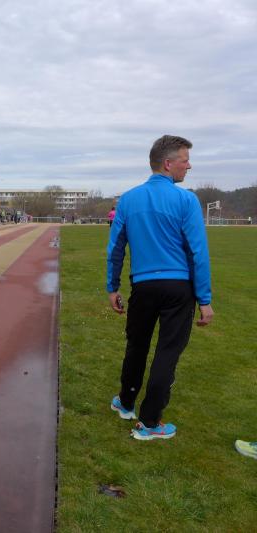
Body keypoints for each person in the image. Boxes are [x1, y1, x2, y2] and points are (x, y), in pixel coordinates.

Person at [107, 135, 213, 441]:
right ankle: (149, 422)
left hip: (143, 287)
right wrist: (204, 299)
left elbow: (116, 249)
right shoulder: (186, 200)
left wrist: (112, 287)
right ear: (168, 163)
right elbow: (198, 253)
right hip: (178, 288)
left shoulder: (128, 199)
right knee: (167, 351)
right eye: (185, 160)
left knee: (137, 345)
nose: (188, 166)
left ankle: (126, 402)